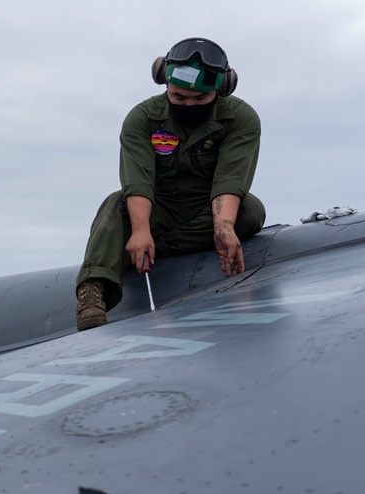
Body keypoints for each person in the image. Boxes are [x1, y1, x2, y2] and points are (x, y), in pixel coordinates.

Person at [75, 37, 265, 331]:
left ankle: (145, 249)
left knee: (251, 211)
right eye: (179, 98)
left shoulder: (240, 118)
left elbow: (230, 178)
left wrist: (224, 226)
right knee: (115, 202)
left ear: (220, 89)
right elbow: (137, 181)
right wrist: (139, 230)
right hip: (155, 212)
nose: (189, 104)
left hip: (206, 212)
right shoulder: (142, 118)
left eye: (200, 99)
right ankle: (94, 291)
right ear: (165, 86)